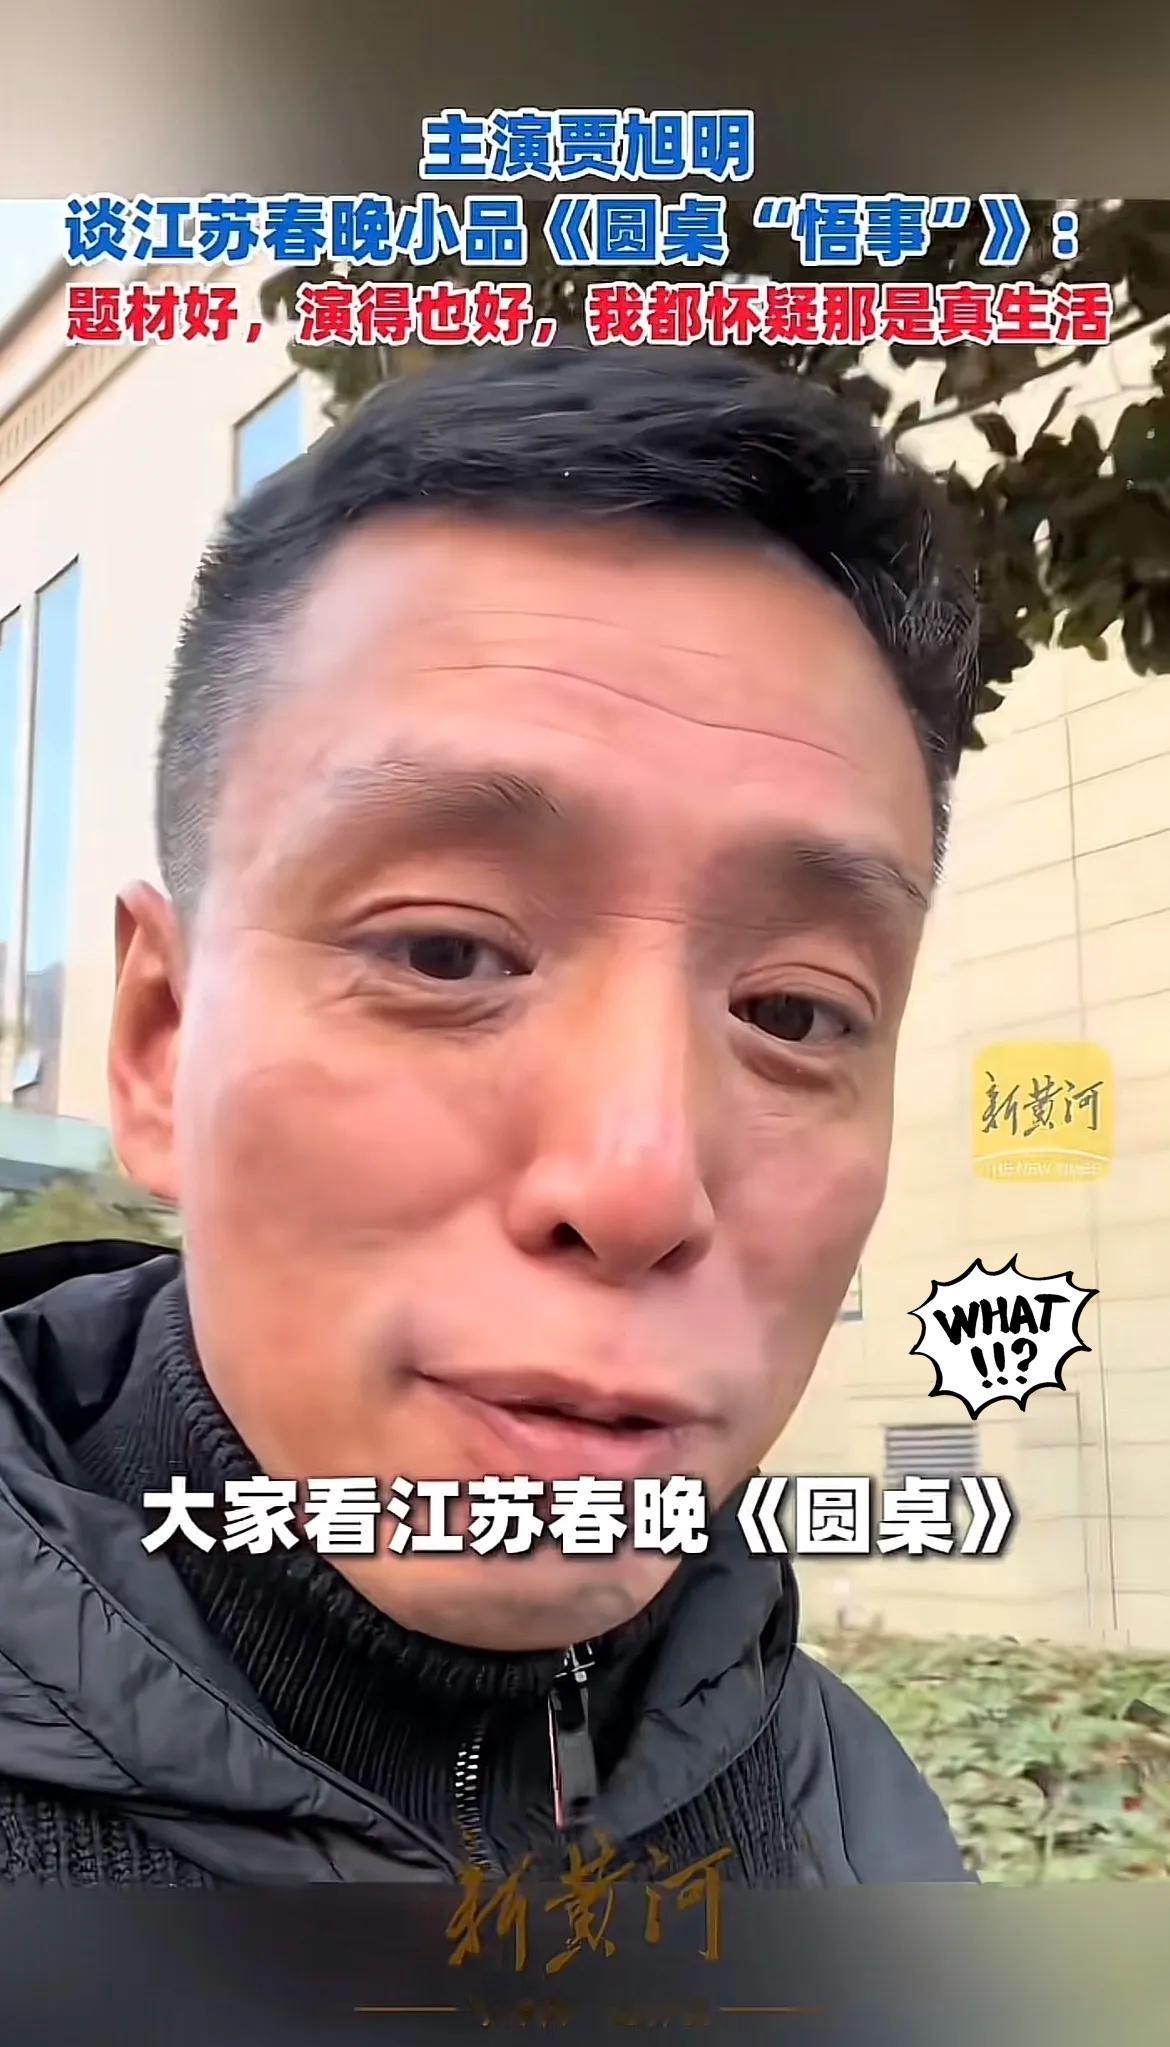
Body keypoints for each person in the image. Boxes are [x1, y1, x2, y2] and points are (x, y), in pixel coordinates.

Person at [0, 343, 977, 1888]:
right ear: (158, 1043)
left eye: (791, 1013)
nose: (638, 1183)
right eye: (444, 953)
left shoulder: (857, 1826)